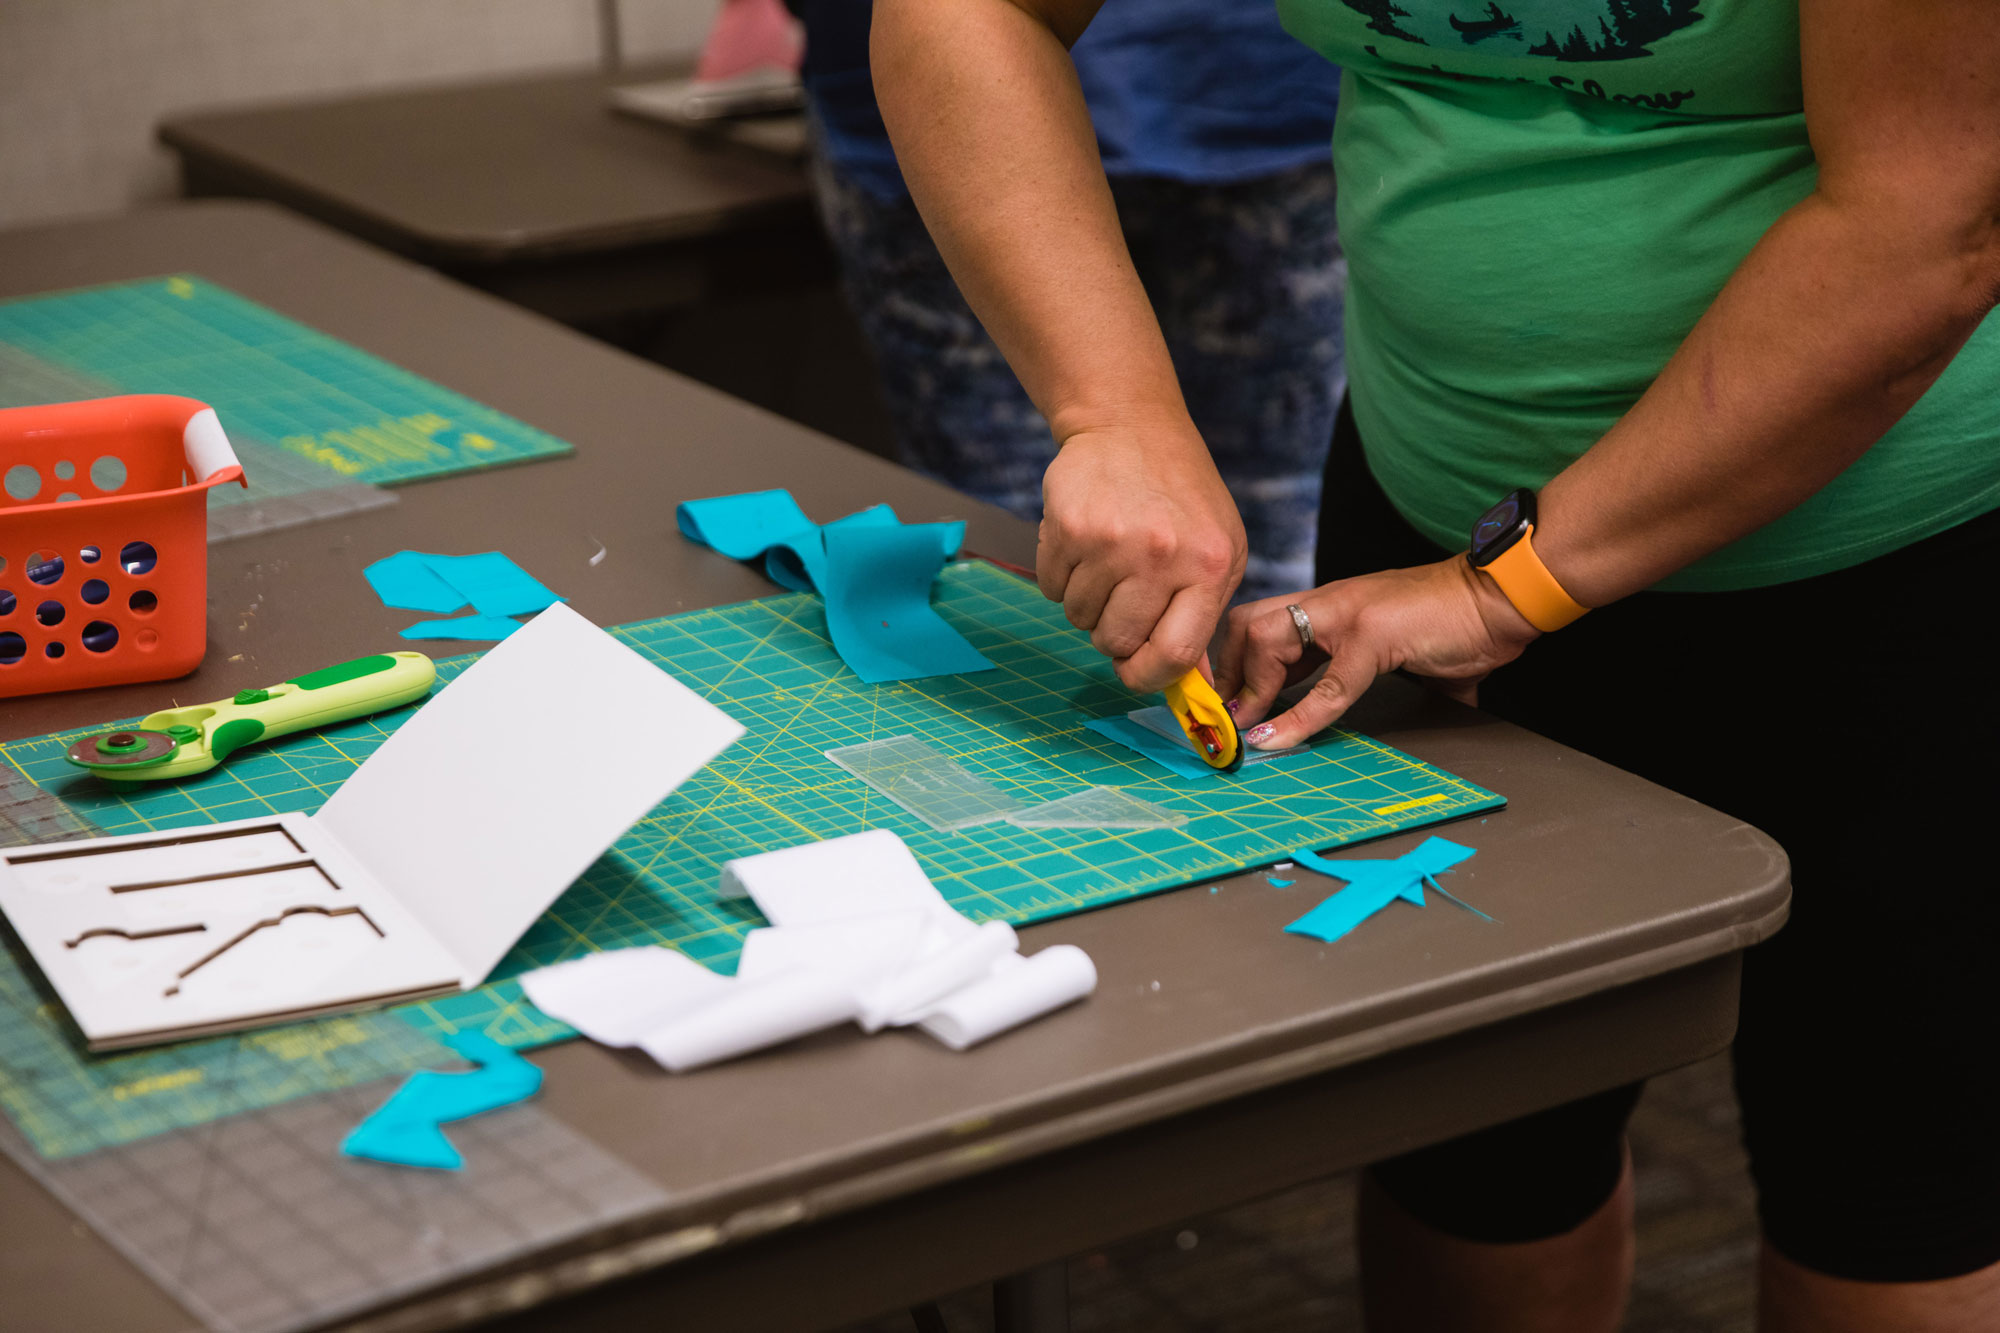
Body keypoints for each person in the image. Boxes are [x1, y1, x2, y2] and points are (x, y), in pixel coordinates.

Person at [869, 1, 2000, 1330]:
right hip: (1427, 513)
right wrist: (1111, 408)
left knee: (1886, 1196)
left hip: (1880, 574)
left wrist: (1507, 588)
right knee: (1474, 1153)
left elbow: (1926, 218)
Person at [793, 0, 1344, 600]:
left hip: (1272, 107)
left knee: (1276, 595)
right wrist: (1117, 422)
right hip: (960, 109)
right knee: (1005, 559)